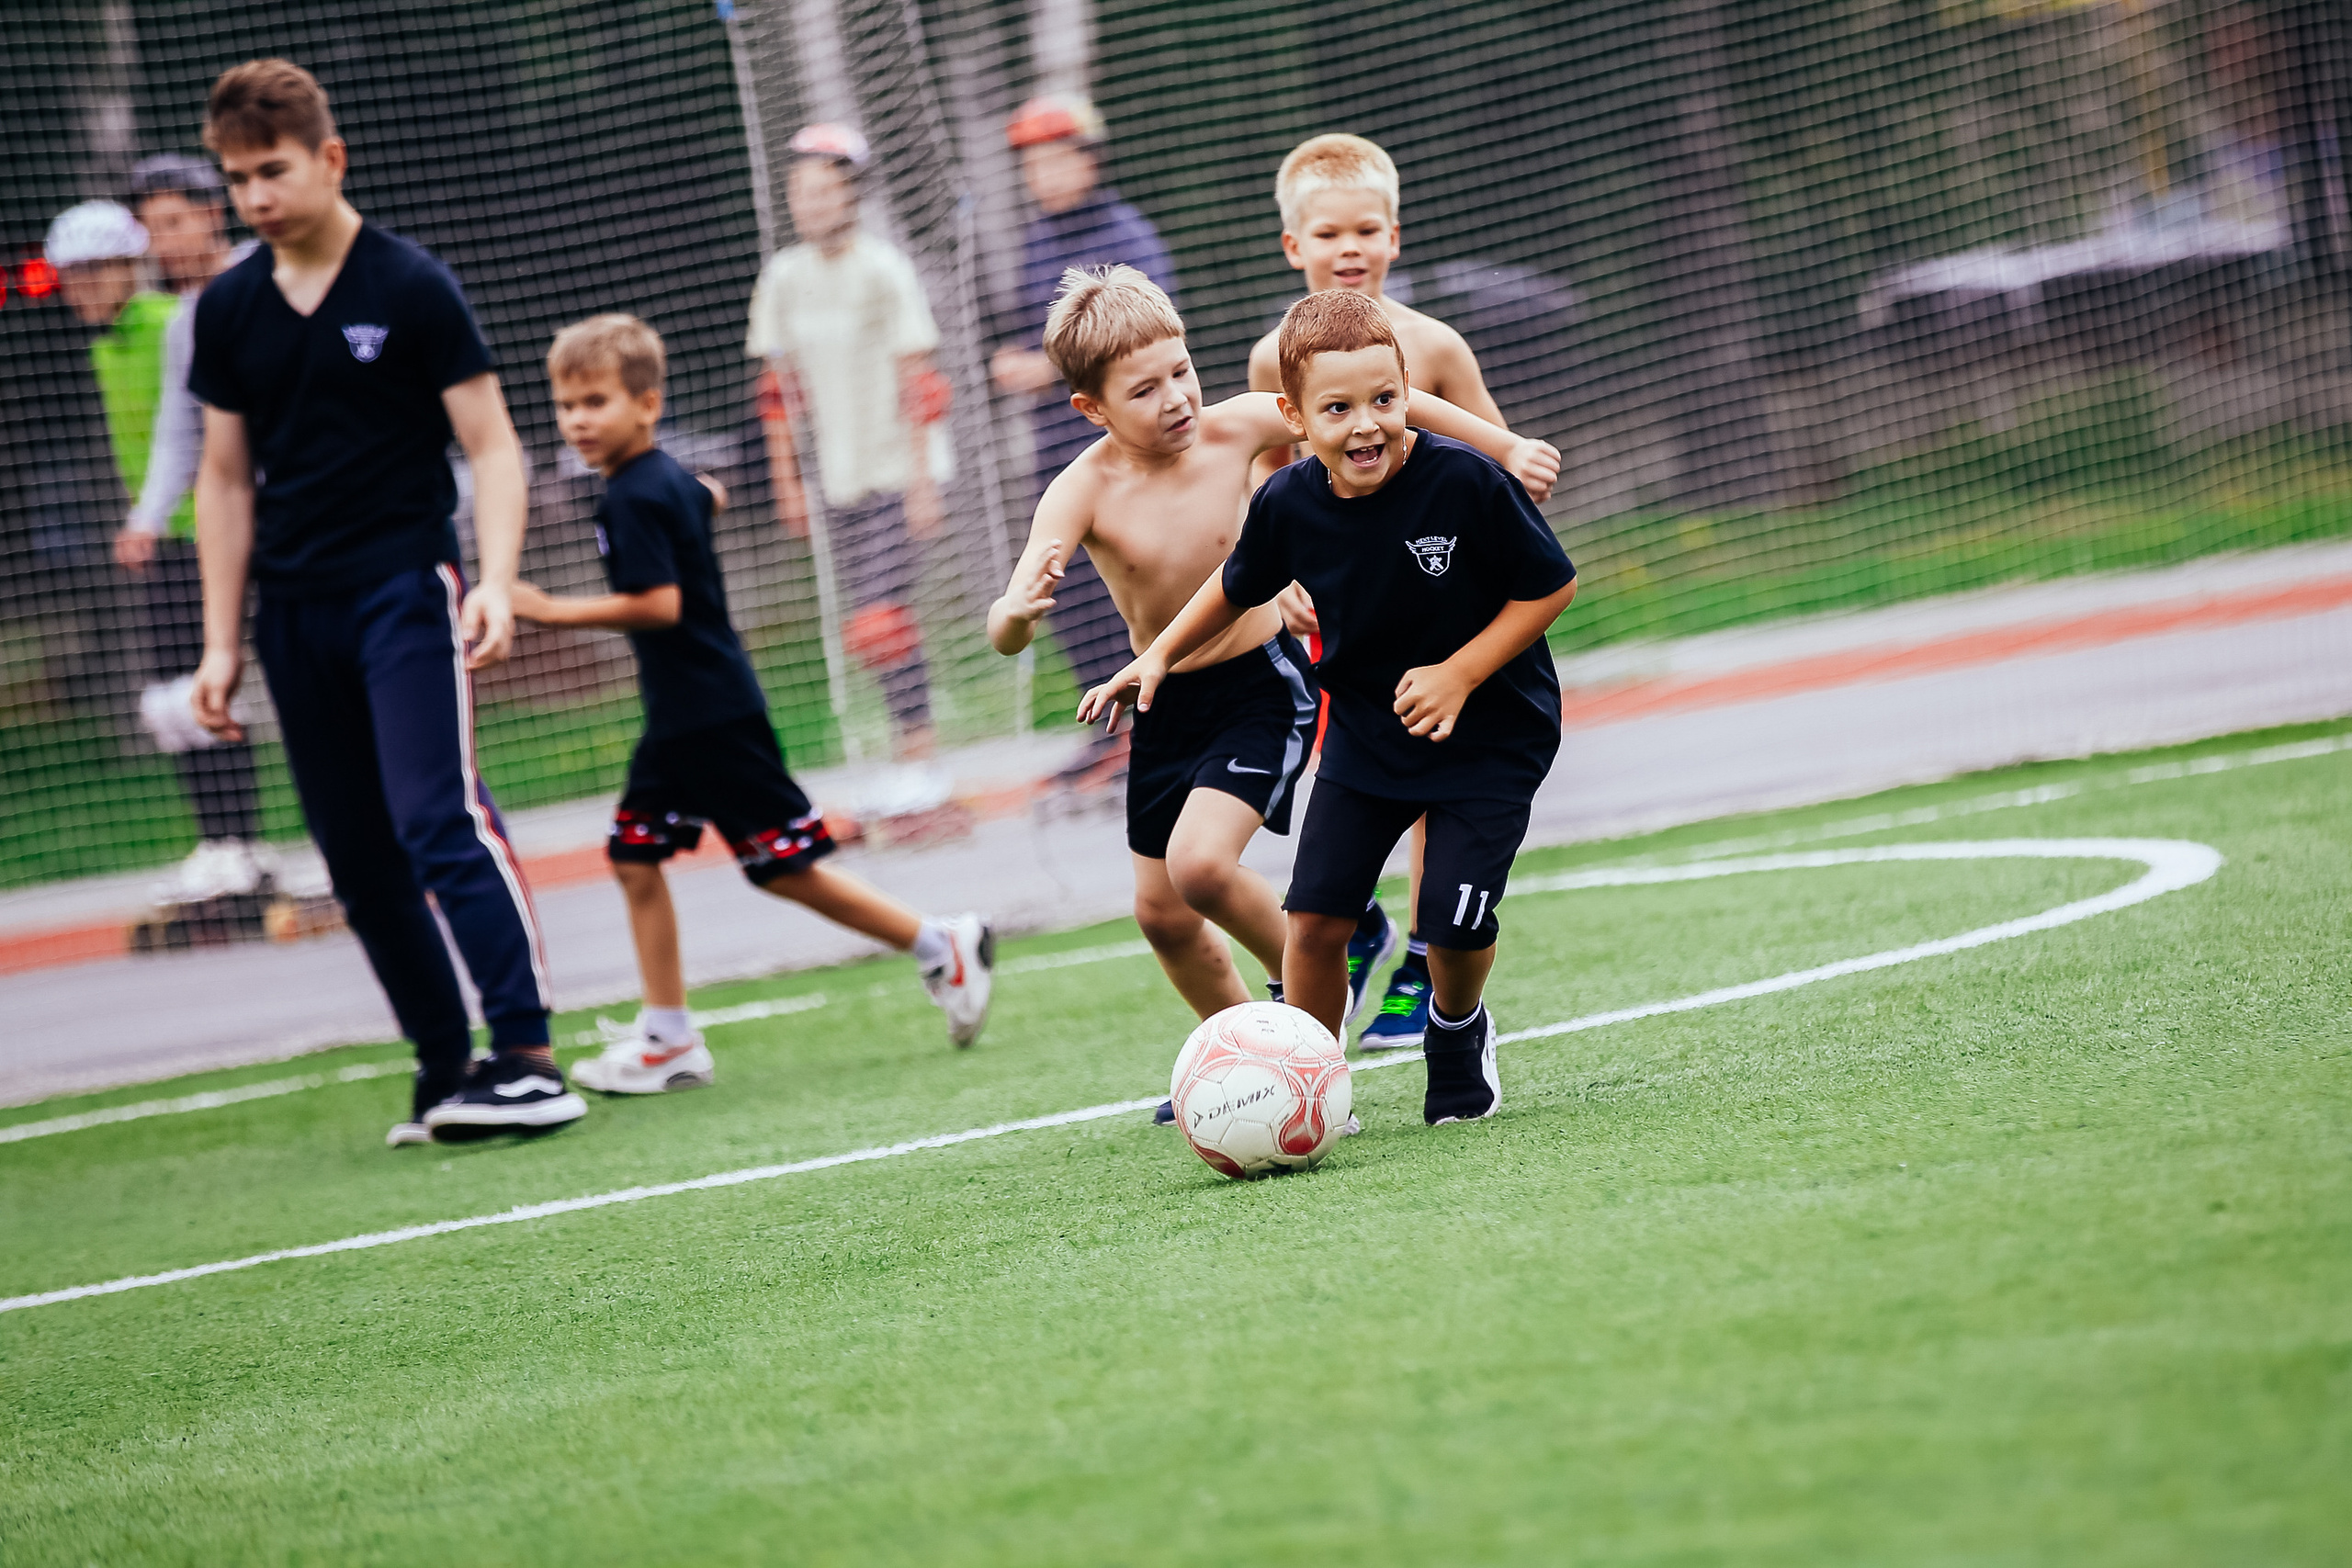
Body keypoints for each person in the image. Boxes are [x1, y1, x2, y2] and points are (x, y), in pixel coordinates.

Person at [999, 266, 1556, 1122]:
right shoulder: (1124, 487)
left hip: (1318, 697)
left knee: (1255, 880)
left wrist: (1502, 446)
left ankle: (1420, 1021)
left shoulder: (1303, 440)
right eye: (1144, 388)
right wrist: (1032, 618)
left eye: (1181, 371)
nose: (1177, 397)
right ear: (1093, 407)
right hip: (1242, 713)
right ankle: (1273, 1068)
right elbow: (1219, 577)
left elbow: (1539, 570)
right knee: (1200, 914)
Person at [185, 59, 570, 1147]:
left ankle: (527, 1056)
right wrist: (220, 646)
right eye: (236, 179)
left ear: (329, 159)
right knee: (354, 857)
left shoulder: (408, 285)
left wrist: (493, 578)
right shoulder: (226, 307)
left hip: (406, 589)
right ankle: (447, 1067)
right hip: (290, 616)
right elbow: (222, 480)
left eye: (272, 171)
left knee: (432, 819)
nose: (254, 196)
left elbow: (493, 448)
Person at [514, 313, 994, 1092]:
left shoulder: (631, 497)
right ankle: (670, 1037)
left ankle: (940, 943)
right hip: (688, 711)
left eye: (595, 401)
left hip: (706, 715)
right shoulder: (657, 480)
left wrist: (544, 607)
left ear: (647, 404)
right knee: (638, 854)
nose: (577, 421)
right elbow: (703, 497)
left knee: (781, 866)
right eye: (566, 405)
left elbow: (660, 604)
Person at [1248, 133, 1518, 1053]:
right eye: (1328, 233)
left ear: (1394, 237)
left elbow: (1498, 466)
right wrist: (1279, 581)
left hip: (1443, 624)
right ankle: (1341, 952)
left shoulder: (1435, 346)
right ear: (1294, 247)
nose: (1348, 248)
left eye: (1366, 229)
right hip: (1343, 629)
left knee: (1436, 794)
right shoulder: (1271, 361)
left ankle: (1417, 977)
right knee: (1355, 785)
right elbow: (1264, 475)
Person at [49, 190, 270, 904]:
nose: (81, 289)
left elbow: (192, 434)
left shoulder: (169, 322)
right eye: (71, 277)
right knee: (169, 702)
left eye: (95, 272)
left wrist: (160, 511)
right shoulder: (106, 342)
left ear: (129, 267)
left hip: (208, 529)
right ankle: (218, 840)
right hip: (164, 537)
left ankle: (243, 839)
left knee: (209, 686)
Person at [989, 94, 1176, 784]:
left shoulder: (1125, 235)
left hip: (1123, 447)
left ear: (1089, 158)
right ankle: (1112, 726)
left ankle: (1159, 713)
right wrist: (1015, 360)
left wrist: (1041, 366)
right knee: (1065, 585)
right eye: (1030, 163)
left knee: (1135, 577)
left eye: (1054, 157)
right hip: (1053, 444)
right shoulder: (1038, 237)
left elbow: (1149, 333)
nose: (1041, 173)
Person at [747, 123, 949, 761]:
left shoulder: (884, 269)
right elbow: (778, 391)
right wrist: (787, 483)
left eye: (824, 191)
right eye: (800, 192)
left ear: (851, 195)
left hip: (899, 470)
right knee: (874, 623)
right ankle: (913, 748)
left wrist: (921, 484)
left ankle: (918, 754)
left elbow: (921, 383)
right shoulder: (782, 277)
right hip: (836, 478)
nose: (811, 204)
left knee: (880, 617)